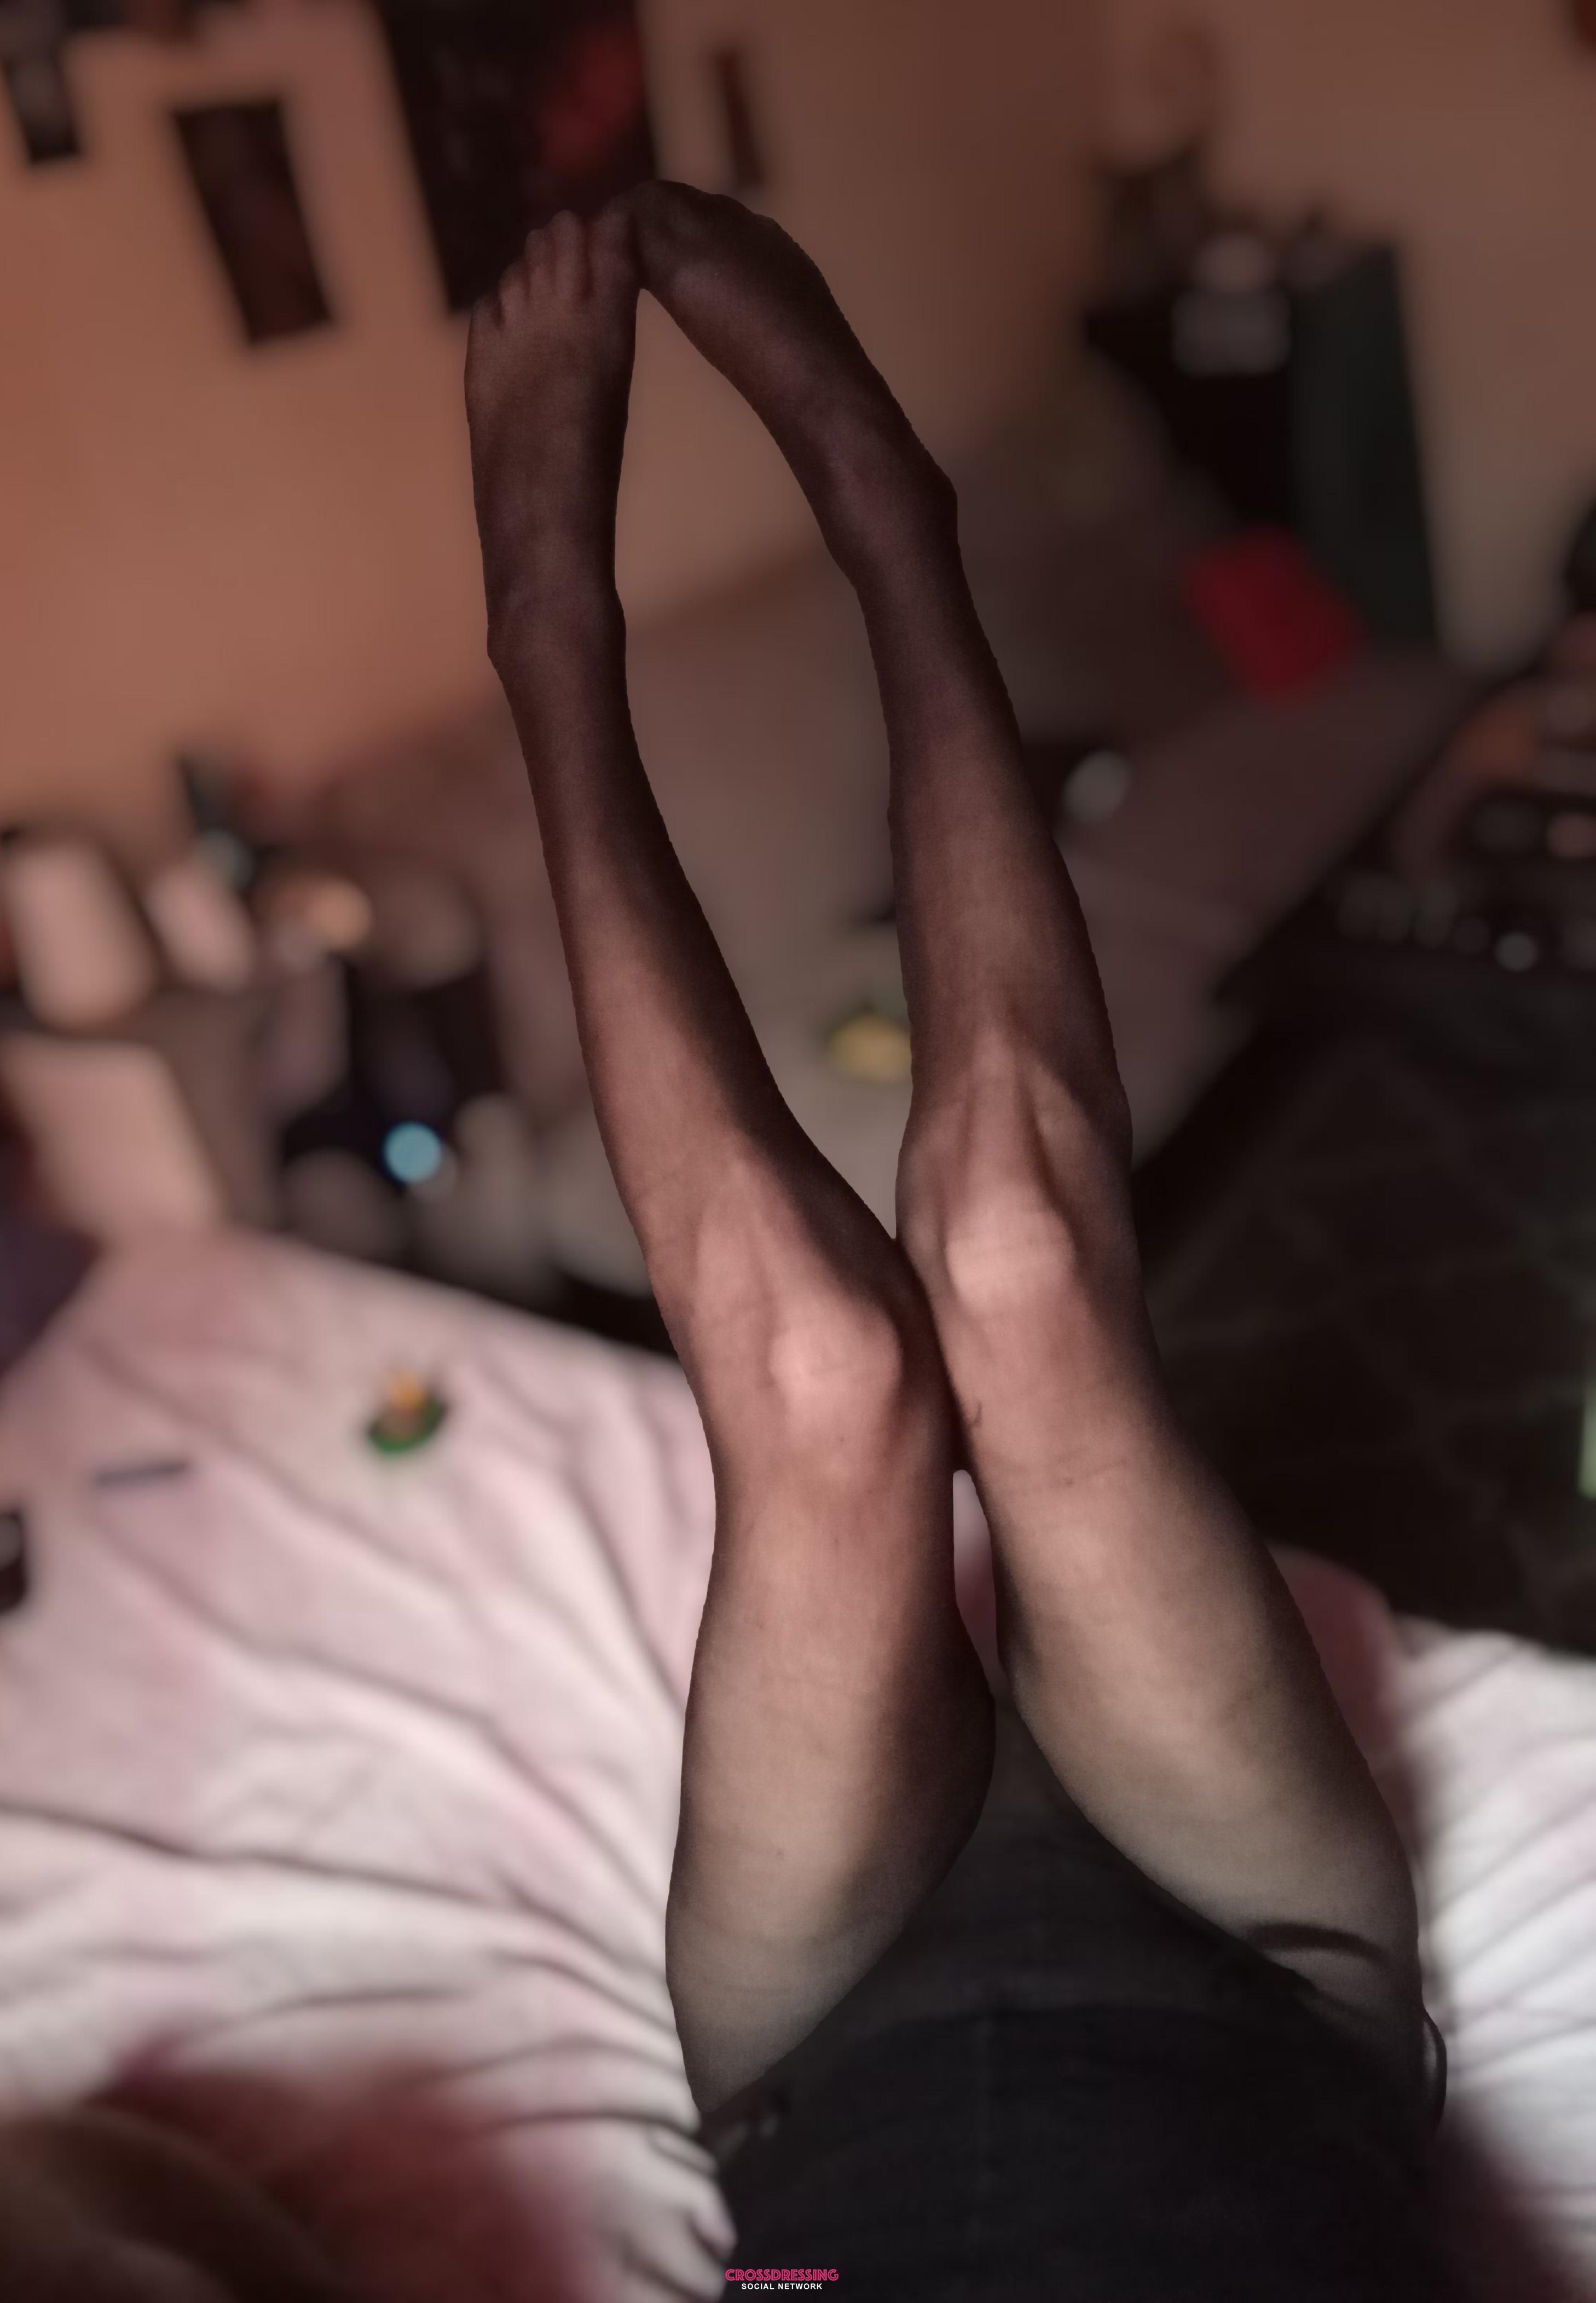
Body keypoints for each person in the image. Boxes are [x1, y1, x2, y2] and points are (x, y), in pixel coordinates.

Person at [465, 183, 1458, 2297]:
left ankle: (547, 616)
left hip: (829, 2068)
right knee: (1020, 1265)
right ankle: (888, 512)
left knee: (821, 1374)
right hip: (1267, 1993)